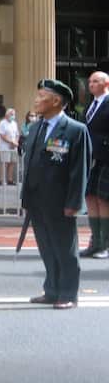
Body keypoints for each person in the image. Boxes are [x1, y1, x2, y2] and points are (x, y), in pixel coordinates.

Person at [22, 79, 91, 310]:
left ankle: (68, 293)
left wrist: (74, 202)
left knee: (65, 250)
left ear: (56, 101)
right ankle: (51, 289)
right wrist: (26, 197)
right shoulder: (35, 128)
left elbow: (79, 170)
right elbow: (31, 163)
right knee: (46, 247)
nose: (36, 100)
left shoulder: (75, 130)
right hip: (37, 199)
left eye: (41, 96)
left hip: (60, 200)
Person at [79, 71, 109, 259]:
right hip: (90, 157)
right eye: (90, 81)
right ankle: (95, 242)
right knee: (90, 197)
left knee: (103, 199)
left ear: (106, 83)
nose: (91, 84)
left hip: (106, 157)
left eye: (95, 81)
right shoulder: (91, 105)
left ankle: (105, 244)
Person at [0, 107, 20, 186]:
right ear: (6, 115)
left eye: (13, 114)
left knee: (12, 163)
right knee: (5, 162)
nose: (13, 116)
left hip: (13, 147)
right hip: (5, 146)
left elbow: (17, 134)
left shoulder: (14, 123)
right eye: (11, 114)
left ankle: (10, 179)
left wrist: (15, 142)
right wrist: (11, 142)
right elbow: (2, 135)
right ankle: (2, 180)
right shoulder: (2, 123)